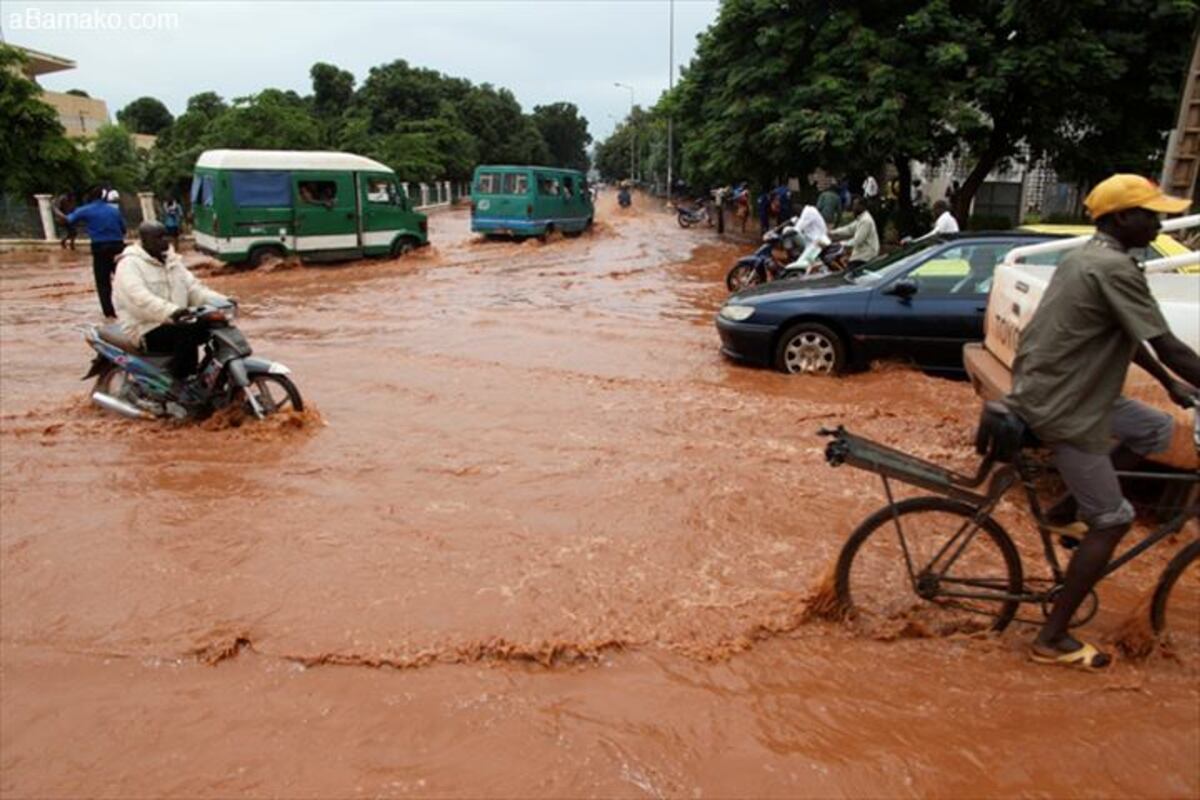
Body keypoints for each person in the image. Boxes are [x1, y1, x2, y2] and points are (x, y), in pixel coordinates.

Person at [1006, 174, 1200, 670]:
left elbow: (1132, 336)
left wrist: (1172, 384)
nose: (1159, 223)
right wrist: (1177, 370)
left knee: (1155, 430)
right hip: (1067, 404)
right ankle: (1051, 638)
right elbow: (1172, 345)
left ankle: (1063, 510)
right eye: (1150, 214)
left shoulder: (1087, 258)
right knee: (1114, 518)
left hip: (1066, 388)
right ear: (1120, 219)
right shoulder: (1115, 269)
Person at [113, 221, 230, 379]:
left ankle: (208, 378)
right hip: (145, 327)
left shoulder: (172, 261)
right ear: (144, 240)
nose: (164, 241)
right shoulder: (129, 264)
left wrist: (222, 301)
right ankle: (181, 381)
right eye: (158, 237)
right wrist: (172, 311)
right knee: (186, 332)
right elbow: (139, 298)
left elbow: (194, 289)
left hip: (177, 320)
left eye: (165, 236)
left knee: (215, 325)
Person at [67, 187, 127, 318]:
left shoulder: (86, 210)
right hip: (118, 247)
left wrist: (54, 209)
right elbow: (123, 229)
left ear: (90, 197)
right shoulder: (114, 211)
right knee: (125, 279)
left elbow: (68, 220)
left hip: (100, 247)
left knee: (103, 282)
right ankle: (130, 310)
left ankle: (110, 315)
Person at [829, 196, 879, 267]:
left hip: (865, 255)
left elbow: (857, 240)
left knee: (850, 273)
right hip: (861, 252)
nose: (853, 208)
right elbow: (849, 229)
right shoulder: (861, 218)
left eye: (855, 205)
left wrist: (841, 244)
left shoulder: (866, 221)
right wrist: (832, 232)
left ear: (862, 206)